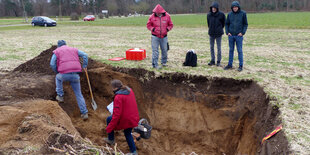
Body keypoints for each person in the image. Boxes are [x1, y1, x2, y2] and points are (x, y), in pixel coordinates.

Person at [50, 40, 89, 120]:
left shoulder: (57, 51)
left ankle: (60, 95)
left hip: (63, 74)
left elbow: (52, 63)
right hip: (75, 75)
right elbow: (85, 55)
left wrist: (57, 71)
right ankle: (84, 113)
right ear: (66, 45)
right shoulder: (74, 49)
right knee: (78, 94)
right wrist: (84, 66)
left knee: (57, 77)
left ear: (58, 46)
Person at [104, 79, 139, 155]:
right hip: (134, 116)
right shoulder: (130, 91)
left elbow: (116, 115)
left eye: (112, 88)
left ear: (115, 88)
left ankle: (111, 139)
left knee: (109, 119)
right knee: (128, 133)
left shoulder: (118, 97)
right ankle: (134, 151)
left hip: (126, 119)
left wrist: (109, 127)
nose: (112, 90)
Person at [147, 4, 173, 69]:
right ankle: (155, 64)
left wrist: (167, 29)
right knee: (155, 51)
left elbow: (171, 25)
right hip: (155, 37)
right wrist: (153, 29)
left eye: (159, 13)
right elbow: (148, 25)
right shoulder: (152, 17)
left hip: (164, 36)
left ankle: (164, 62)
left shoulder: (167, 16)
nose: (157, 14)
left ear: (162, 12)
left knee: (164, 50)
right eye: (156, 13)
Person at [224, 1, 248, 72]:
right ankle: (229, 64)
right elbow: (226, 24)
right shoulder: (230, 14)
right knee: (231, 50)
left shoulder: (243, 14)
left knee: (239, 51)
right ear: (232, 8)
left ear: (238, 7)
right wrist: (227, 32)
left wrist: (242, 32)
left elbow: (245, 24)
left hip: (239, 36)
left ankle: (240, 65)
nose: (235, 8)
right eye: (233, 7)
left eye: (236, 7)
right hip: (231, 36)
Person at [207, 1, 226, 66]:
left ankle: (218, 61)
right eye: (212, 8)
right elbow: (208, 24)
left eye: (215, 8)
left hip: (218, 34)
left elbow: (223, 23)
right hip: (211, 33)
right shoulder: (209, 15)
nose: (213, 9)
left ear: (217, 8)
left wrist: (219, 29)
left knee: (219, 48)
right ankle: (212, 60)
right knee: (211, 47)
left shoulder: (221, 14)